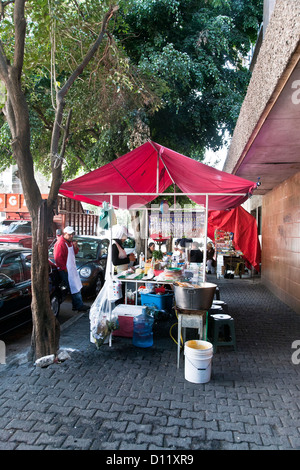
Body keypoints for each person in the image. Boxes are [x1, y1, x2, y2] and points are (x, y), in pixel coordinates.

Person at [53, 226, 90, 312]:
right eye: (70, 235)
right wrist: (63, 269)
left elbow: (74, 252)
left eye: (72, 234)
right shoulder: (61, 243)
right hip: (66, 269)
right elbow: (58, 258)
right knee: (74, 287)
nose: (71, 236)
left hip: (71, 269)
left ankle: (77, 304)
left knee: (76, 286)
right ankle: (78, 305)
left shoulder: (68, 242)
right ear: (65, 234)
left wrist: (76, 247)